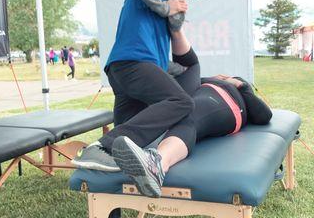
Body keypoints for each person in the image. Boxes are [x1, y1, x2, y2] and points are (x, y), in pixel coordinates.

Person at [72, 0, 207, 189]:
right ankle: (96, 148)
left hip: (124, 70)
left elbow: (161, 58)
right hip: (133, 64)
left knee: (121, 154)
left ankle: (101, 159)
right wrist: (166, 6)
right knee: (181, 101)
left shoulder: (160, 10)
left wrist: (182, 68)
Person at [110, 29, 272, 198]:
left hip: (225, 103)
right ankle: (119, 149)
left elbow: (264, 115)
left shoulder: (233, 87)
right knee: (183, 113)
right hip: (196, 103)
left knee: (190, 116)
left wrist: (241, 85)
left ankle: (157, 165)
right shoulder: (198, 81)